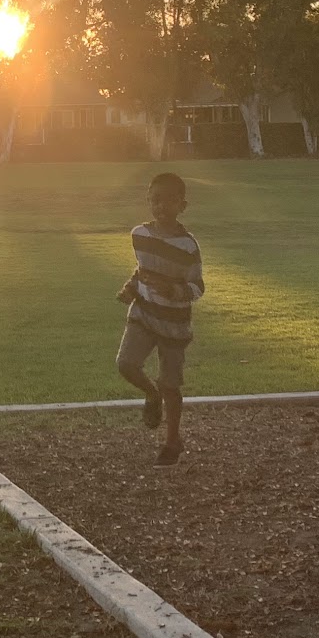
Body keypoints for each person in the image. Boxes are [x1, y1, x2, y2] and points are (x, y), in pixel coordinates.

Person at [114, 171, 203, 466]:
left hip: (174, 325)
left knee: (170, 384)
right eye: (155, 201)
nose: (161, 206)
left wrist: (174, 289)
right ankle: (151, 396)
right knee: (126, 364)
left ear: (182, 205)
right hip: (143, 313)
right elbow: (142, 269)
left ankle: (173, 440)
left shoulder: (188, 246)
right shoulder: (139, 234)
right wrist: (130, 288)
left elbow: (197, 287)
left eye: (168, 201)